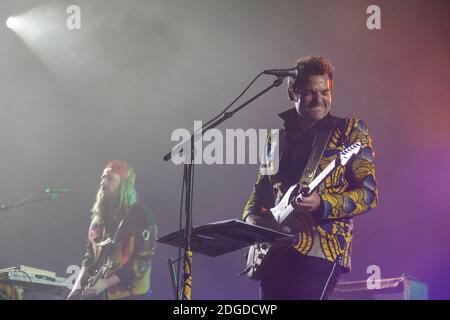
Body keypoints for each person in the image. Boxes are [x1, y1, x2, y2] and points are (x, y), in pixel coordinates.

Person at [242, 56, 378, 300]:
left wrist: (321, 203)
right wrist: (252, 219)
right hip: (273, 253)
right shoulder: (275, 139)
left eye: (325, 92)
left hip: (320, 250)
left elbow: (368, 195)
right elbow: (260, 190)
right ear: (291, 93)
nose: (319, 100)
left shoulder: (349, 130)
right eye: (309, 93)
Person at [67, 160, 157, 300]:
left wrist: (105, 283)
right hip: (105, 294)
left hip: (132, 295)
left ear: (124, 186)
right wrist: (77, 288)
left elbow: (142, 260)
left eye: (110, 179)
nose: (103, 183)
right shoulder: (98, 221)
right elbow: (89, 258)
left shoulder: (142, 216)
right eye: (102, 178)